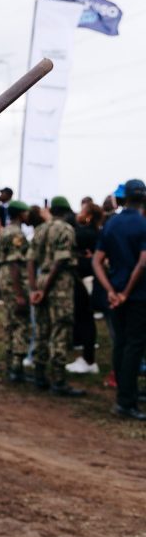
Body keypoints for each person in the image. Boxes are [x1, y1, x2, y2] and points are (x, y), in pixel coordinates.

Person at [92, 179, 146, 420]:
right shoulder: (142, 224)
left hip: (115, 295)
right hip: (138, 296)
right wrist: (126, 292)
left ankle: (125, 394)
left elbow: (97, 261)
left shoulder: (111, 223)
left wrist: (111, 290)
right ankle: (127, 401)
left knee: (121, 344)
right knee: (135, 345)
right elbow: (143, 262)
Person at [27, 196, 85, 397]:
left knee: (41, 330)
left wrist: (34, 288)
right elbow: (60, 262)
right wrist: (45, 289)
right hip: (59, 285)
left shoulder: (40, 229)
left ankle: (39, 375)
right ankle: (58, 380)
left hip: (40, 280)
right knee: (60, 329)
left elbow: (31, 260)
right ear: (66, 212)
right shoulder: (66, 229)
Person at [0, 201, 30, 383]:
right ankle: (17, 367)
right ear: (20, 214)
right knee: (20, 322)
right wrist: (19, 293)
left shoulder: (5, 230)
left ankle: (9, 364)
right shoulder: (16, 233)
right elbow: (15, 262)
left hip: (4, 276)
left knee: (9, 321)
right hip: (13, 278)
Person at [69, 202, 104, 375]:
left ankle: (88, 359)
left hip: (84, 280)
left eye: (82, 211)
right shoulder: (97, 232)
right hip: (91, 280)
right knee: (86, 318)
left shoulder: (84, 233)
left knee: (85, 318)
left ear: (89, 216)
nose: (79, 214)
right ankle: (86, 354)